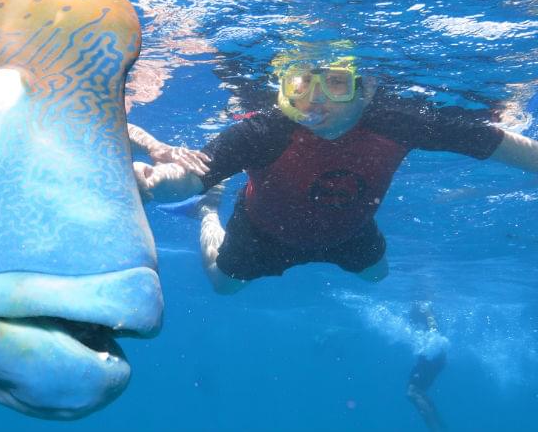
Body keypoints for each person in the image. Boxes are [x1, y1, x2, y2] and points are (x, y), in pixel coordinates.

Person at [131, 49, 538, 293]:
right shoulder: (268, 129)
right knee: (224, 286)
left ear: (368, 89)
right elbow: (193, 173)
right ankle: (207, 215)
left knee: (378, 277)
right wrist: (153, 184)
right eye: (300, 86)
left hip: (349, 231)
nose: (315, 103)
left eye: (336, 85)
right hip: (262, 232)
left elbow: (497, 143)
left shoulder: (400, 120)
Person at [407, 301, 448, 432]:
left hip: (433, 356)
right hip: (434, 357)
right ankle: (440, 424)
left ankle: (435, 427)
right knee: (418, 392)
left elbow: (433, 327)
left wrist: (428, 312)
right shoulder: (421, 312)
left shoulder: (424, 310)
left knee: (412, 391)